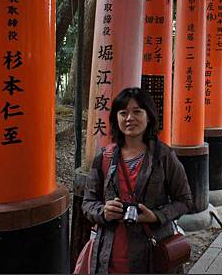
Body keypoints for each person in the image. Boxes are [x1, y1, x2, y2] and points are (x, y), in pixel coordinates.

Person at [82, 87, 192, 273]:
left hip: (152, 252)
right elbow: (88, 203)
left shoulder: (163, 156)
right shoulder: (104, 157)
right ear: (116, 118)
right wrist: (103, 212)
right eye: (123, 113)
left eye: (137, 112)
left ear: (148, 116)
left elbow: (185, 200)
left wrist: (156, 216)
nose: (129, 118)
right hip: (109, 255)